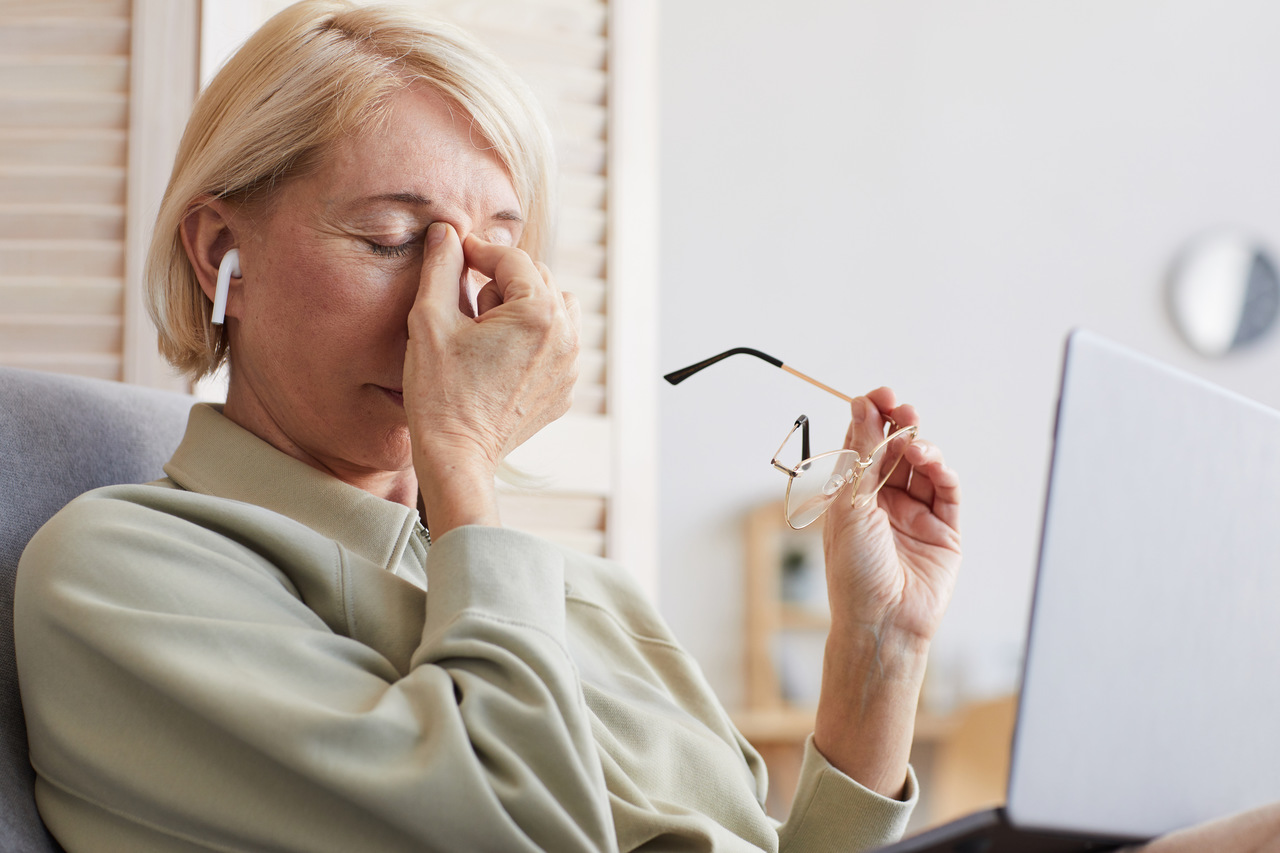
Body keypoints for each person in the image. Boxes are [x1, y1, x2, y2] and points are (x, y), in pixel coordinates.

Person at [14, 2, 964, 851]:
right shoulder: (118, 571)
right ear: (224, 252)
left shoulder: (584, 595)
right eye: (391, 241)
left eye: (496, 250)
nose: (455, 305)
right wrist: (461, 454)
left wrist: (879, 653)